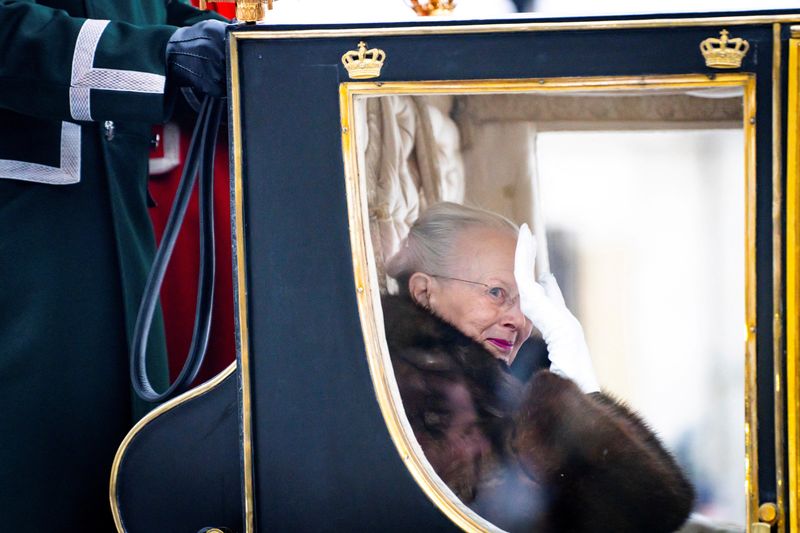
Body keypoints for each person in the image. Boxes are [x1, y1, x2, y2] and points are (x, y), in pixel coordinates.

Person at [0, 1, 226, 529]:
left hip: (119, 213)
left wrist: (229, 43)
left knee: (120, 459)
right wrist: (155, 57)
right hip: (22, 227)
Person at [383, 202, 694, 532]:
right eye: (496, 292)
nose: (519, 320)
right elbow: (641, 515)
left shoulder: (485, 387)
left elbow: (658, 508)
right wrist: (570, 405)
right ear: (424, 292)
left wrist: (576, 393)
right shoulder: (432, 398)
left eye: (526, 301)